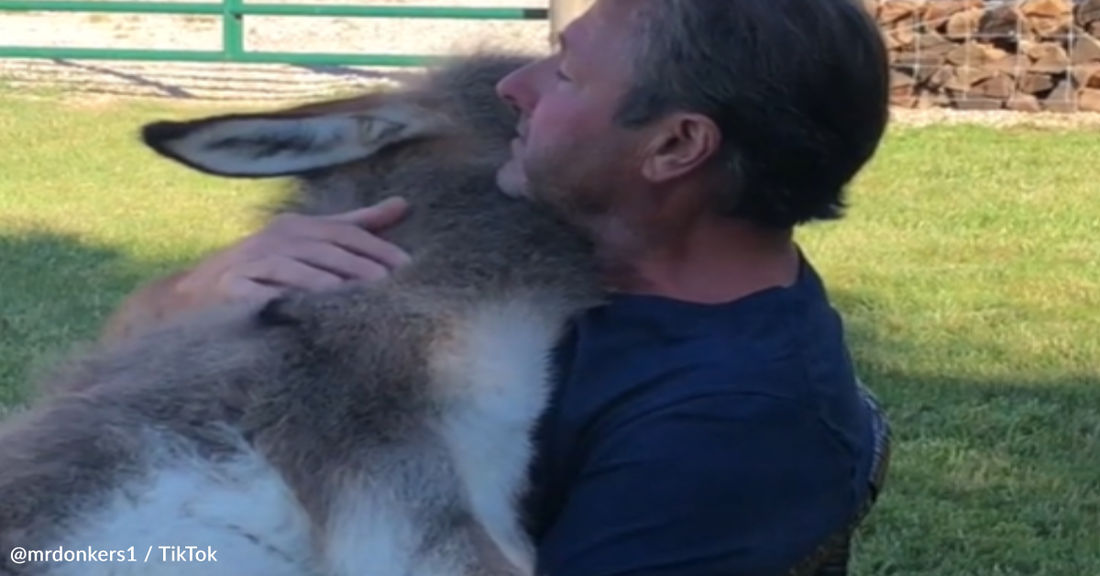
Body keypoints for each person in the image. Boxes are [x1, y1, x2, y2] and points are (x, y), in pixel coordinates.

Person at [99, 0, 893, 574]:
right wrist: (176, 308)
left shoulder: (733, 429)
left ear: (676, 145)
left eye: (567, 71)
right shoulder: (538, 260)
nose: (515, 86)